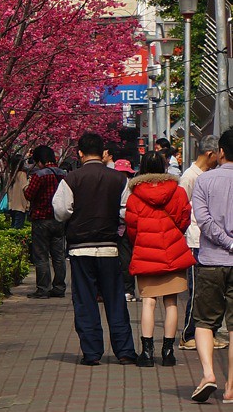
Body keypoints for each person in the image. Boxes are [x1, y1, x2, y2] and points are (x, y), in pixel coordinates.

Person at [53, 132, 137, 366]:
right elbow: (126, 212)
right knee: (115, 300)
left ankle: (92, 352)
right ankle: (125, 351)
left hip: (80, 250)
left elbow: (61, 212)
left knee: (85, 302)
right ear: (103, 153)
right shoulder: (119, 179)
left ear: (79, 153)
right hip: (110, 248)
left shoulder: (71, 179)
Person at [126, 151, 193, 367]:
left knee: (148, 302)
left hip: (146, 254)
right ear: (165, 167)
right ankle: (168, 353)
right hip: (173, 252)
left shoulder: (135, 195)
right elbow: (184, 220)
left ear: (143, 167)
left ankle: (146, 353)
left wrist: (144, 242)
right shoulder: (178, 192)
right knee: (171, 302)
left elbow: (132, 229)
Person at [191, 127, 233, 403]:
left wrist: (226, 242)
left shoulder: (204, 182)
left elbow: (203, 221)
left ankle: (208, 374)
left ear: (220, 152)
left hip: (210, 261)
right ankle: (231, 387)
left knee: (205, 322)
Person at [179, 135, 226, 350]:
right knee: (197, 290)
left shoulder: (207, 175)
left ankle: (209, 333)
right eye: (218, 154)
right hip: (196, 239)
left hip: (209, 240)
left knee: (211, 293)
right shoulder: (190, 176)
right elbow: (182, 207)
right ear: (210, 154)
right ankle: (189, 334)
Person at [23, 145, 66, 299]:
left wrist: (25, 188)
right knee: (58, 255)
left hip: (41, 219)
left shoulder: (39, 175)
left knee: (41, 255)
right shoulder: (63, 174)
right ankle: (59, 287)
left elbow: (29, 194)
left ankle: (43, 289)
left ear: (40, 160)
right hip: (59, 219)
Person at [113, 159, 137, 302]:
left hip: (125, 225)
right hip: (122, 225)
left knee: (125, 259)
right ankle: (126, 289)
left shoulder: (128, 186)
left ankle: (128, 289)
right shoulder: (128, 185)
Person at [7, 154, 29, 229]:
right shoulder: (22, 174)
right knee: (18, 229)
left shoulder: (11, 175)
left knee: (13, 227)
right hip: (20, 207)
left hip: (12, 206)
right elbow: (26, 189)